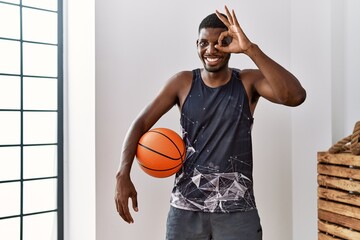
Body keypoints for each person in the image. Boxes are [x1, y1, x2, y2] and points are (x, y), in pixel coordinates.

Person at [115, 5, 306, 240]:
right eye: (204, 43)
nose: (211, 49)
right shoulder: (183, 83)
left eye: (220, 42)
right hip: (185, 209)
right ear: (196, 45)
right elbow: (141, 123)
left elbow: (295, 97)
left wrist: (250, 49)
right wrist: (123, 173)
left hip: (238, 211)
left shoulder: (247, 82)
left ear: (230, 44)